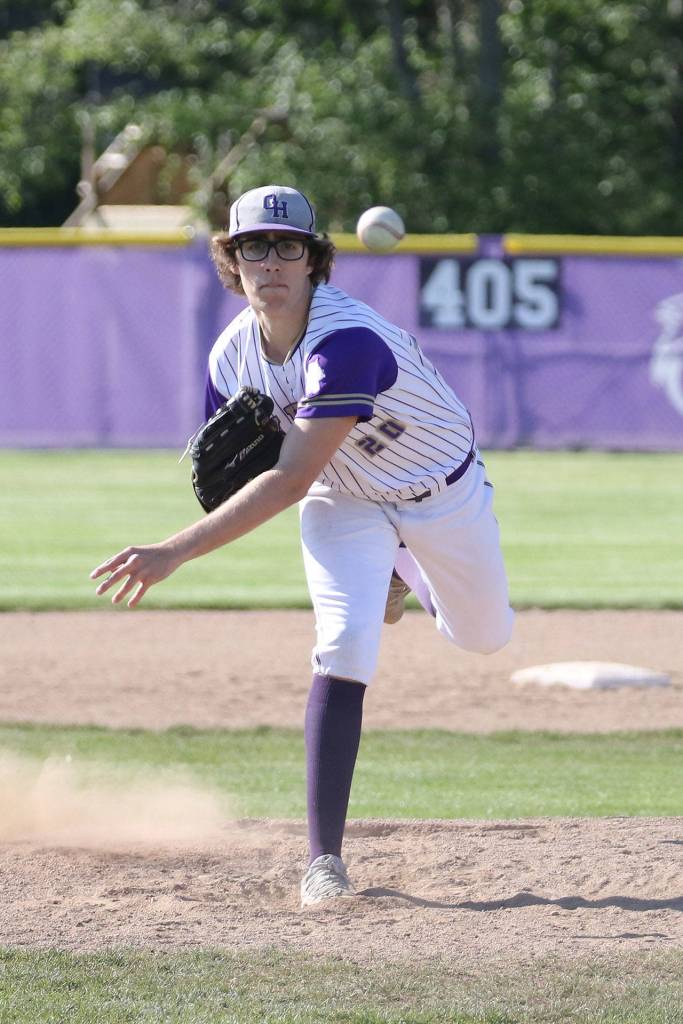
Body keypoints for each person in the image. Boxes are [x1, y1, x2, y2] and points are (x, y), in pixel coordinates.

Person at [90, 185, 514, 906]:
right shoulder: (231, 358)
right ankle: (324, 861)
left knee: (482, 638)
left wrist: (172, 552)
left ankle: (403, 572)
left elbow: (285, 479)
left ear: (315, 261)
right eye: (253, 246)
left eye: (289, 246)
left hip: (440, 493)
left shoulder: (345, 342)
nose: (271, 261)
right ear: (232, 261)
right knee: (344, 647)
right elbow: (232, 466)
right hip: (342, 500)